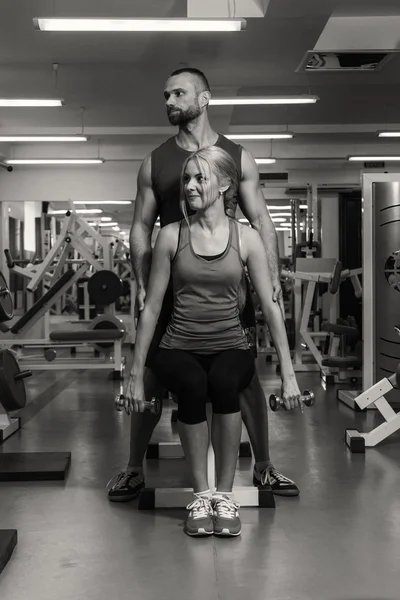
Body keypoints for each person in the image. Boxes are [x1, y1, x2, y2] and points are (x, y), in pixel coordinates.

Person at [107, 67, 300, 504]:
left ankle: (264, 468)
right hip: (172, 283)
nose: (169, 102)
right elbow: (140, 227)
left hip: (228, 288)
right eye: (166, 95)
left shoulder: (237, 156)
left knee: (242, 377)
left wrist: (269, 282)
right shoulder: (155, 161)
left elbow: (261, 221)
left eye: (179, 93)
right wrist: (141, 280)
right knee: (153, 374)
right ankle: (134, 468)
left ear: (205, 98)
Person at [128, 146, 302, 536]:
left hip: (231, 344)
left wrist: (289, 375)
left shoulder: (248, 238)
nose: (189, 186)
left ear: (225, 184)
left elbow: (272, 309)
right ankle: (201, 495)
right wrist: (135, 375)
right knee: (191, 384)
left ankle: (224, 498)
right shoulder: (171, 236)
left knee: (225, 382)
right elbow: (152, 309)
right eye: (187, 178)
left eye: (200, 178)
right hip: (178, 345)